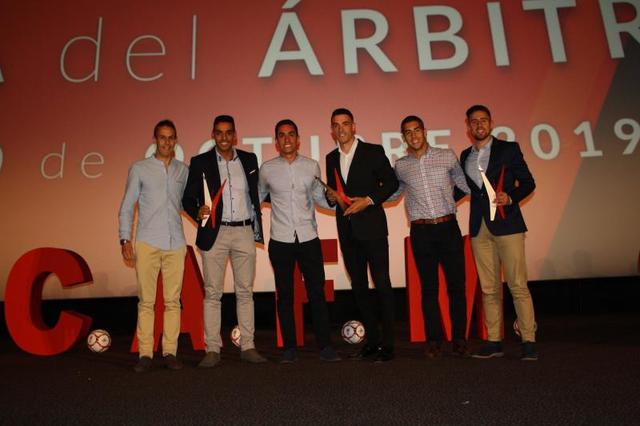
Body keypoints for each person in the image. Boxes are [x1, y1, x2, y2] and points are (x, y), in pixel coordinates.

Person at [182, 115, 267, 367]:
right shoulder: (200, 162)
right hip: (214, 234)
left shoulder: (249, 160)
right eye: (219, 132)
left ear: (235, 135)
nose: (224, 137)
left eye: (228, 132)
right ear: (213, 135)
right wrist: (197, 212)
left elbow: (257, 193)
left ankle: (248, 346)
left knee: (245, 292)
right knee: (212, 293)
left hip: (244, 231)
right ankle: (212, 349)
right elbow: (187, 198)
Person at [459, 104, 538, 361]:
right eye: (474, 121)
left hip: (508, 224)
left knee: (518, 285)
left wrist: (511, 197)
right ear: (468, 126)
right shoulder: (465, 155)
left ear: (491, 123)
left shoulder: (508, 149)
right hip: (479, 228)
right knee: (489, 288)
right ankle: (494, 341)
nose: (479, 125)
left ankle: (528, 341)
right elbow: (463, 189)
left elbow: (528, 183)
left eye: (483, 120)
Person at [259, 119, 341, 363]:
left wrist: (332, 199)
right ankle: (289, 349)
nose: (287, 139)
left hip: (308, 238)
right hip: (280, 239)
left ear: (298, 139)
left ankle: (325, 347)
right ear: (276, 141)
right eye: (282, 135)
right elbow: (258, 198)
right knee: (285, 296)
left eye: (291, 134)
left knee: (317, 293)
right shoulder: (267, 169)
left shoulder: (311, 166)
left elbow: (319, 199)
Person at [393, 115, 471, 358]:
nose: (413, 135)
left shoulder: (447, 156)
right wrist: (366, 198)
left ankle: (459, 339)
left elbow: (465, 185)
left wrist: (490, 193)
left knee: (456, 287)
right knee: (428, 289)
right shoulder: (401, 166)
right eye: (408, 132)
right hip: (421, 232)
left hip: (448, 228)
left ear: (425, 131)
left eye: (417, 130)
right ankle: (434, 340)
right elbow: (393, 193)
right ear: (404, 137)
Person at [325, 108, 399, 362]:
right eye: (336, 125)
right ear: (332, 130)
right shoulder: (331, 157)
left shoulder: (373, 151)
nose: (341, 129)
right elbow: (335, 193)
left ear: (354, 126)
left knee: (382, 285)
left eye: (345, 123)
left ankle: (388, 345)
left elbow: (391, 183)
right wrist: (330, 196)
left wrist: (368, 200)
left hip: (373, 229)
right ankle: (372, 342)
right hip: (347, 231)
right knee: (359, 288)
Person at [118, 119, 189, 373]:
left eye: (171, 137)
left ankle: (170, 352)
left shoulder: (184, 171)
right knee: (146, 302)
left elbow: (185, 204)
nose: (166, 142)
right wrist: (125, 239)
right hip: (148, 241)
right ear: (155, 140)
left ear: (175, 140)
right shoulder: (139, 168)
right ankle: (145, 354)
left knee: (173, 302)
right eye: (162, 137)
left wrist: (201, 210)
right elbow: (127, 206)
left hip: (176, 242)